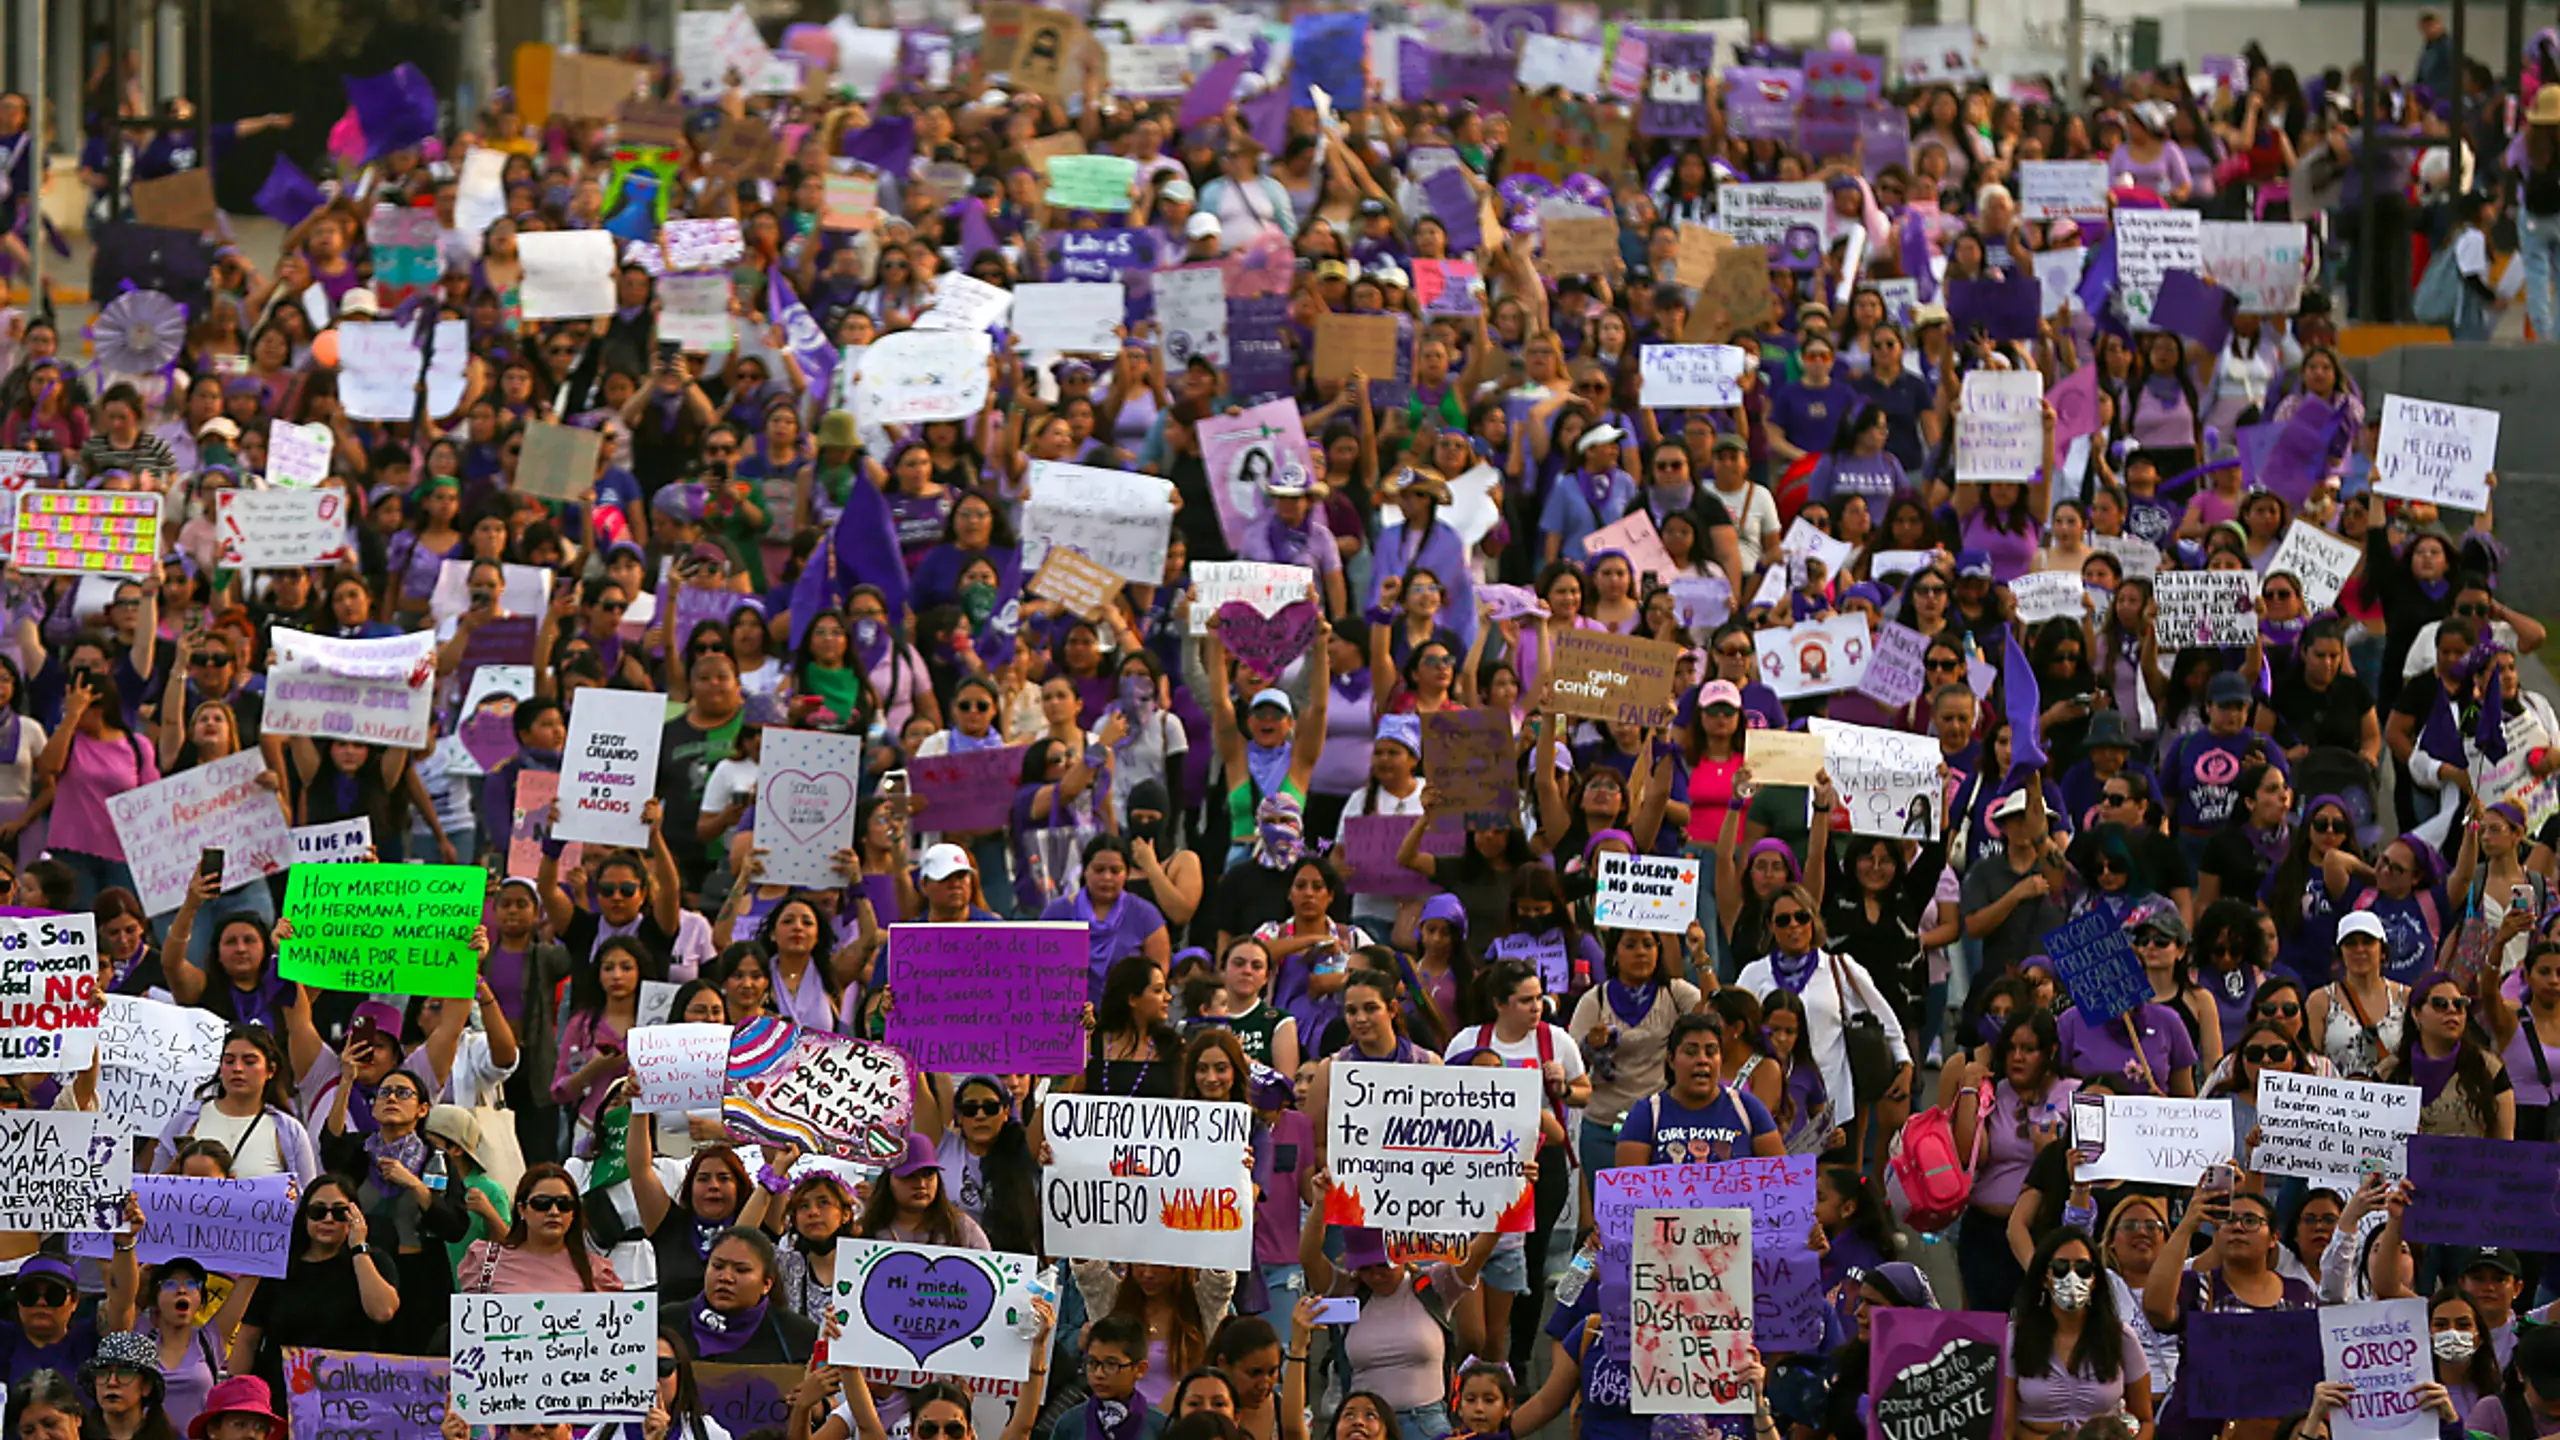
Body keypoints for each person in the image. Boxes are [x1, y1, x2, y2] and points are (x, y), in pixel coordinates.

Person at [2005, 1227, 2156, 1438]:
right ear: (2043, 1277)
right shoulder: (2015, 1335)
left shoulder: (2120, 1336)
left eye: (2083, 1268)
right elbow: (2006, 1423)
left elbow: (2146, 1420)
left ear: (2095, 1279)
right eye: (2060, 1267)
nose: (2072, 1277)